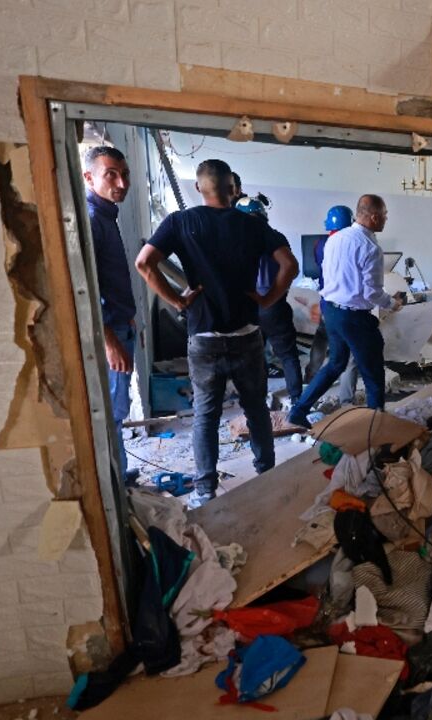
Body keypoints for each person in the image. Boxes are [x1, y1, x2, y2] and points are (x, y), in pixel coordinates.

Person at [135, 159, 299, 508]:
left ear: (199, 187)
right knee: (256, 408)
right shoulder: (253, 225)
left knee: (206, 416)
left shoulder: (180, 222)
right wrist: (267, 299)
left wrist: (178, 301)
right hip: (246, 334)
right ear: (233, 189)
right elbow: (290, 265)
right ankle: (267, 474)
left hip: (204, 337)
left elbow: (144, 263)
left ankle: (205, 490)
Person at [289, 194, 402, 426]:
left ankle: (298, 410)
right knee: (372, 371)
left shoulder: (335, 239)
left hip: (331, 312)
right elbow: (372, 293)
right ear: (374, 217)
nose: (386, 219)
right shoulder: (370, 247)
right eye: (384, 215)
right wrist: (392, 303)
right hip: (354, 318)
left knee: (335, 364)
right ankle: (376, 423)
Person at [83, 145, 140, 485]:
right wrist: (109, 341)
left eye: (125, 174)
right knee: (112, 414)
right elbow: (86, 288)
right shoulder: (92, 219)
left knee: (118, 408)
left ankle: (119, 475)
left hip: (120, 325)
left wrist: (127, 317)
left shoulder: (106, 215)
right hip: (110, 333)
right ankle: (116, 486)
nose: (121, 183)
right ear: (89, 178)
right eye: (111, 175)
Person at [230, 177, 305, 407]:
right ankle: (297, 402)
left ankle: (256, 403)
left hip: (248, 306)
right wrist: (273, 296)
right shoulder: (275, 236)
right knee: (288, 355)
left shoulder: (235, 241)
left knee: (252, 357)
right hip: (272, 305)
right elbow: (291, 267)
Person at [304, 205, 361, 408]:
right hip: (345, 308)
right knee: (350, 356)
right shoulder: (351, 246)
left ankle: (309, 378)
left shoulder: (320, 244)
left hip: (326, 302)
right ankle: (346, 402)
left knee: (321, 339)